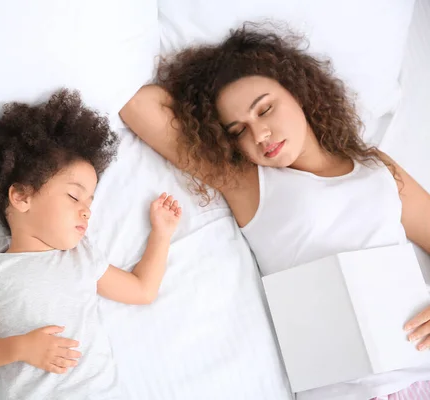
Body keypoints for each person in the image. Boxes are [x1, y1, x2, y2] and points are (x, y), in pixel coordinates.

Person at [120, 24, 430, 400]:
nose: (260, 135)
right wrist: (204, 100)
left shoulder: (376, 167)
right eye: (238, 130)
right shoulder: (247, 183)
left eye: (265, 109)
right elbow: (139, 105)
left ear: (298, 92)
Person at [0, 89, 182, 399]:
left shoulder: (80, 257)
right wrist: (19, 348)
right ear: (22, 197)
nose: (86, 210)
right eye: (73, 196)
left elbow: (142, 290)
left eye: (90, 201)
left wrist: (161, 234)